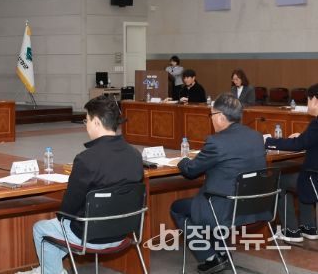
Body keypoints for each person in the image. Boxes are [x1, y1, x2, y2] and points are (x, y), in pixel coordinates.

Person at [17, 96, 143, 274]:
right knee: (63, 227)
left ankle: (50, 271)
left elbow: (68, 208)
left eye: (87, 120)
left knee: (41, 228)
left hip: (90, 236)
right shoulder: (135, 155)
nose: (86, 125)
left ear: (97, 122)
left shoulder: (86, 159)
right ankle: (49, 270)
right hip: (124, 232)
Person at [170, 93, 266, 274]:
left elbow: (191, 171)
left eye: (211, 115)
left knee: (178, 208)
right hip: (253, 208)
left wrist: (182, 161)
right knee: (213, 202)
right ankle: (222, 252)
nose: (211, 119)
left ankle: (210, 257)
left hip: (225, 211)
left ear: (221, 116)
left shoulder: (216, 142)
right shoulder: (256, 137)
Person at [264, 83, 318, 243]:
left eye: (308, 100)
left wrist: (269, 141)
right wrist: (302, 137)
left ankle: (291, 230)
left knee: (279, 180)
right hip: (313, 177)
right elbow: (308, 141)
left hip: (313, 179)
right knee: (300, 176)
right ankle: (309, 227)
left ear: (315, 100)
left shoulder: (316, 123)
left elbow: (298, 145)